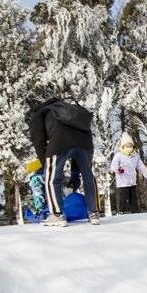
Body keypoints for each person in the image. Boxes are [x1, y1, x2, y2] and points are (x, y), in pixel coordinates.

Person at [30, 97, 100, 226]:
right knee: (88, 176)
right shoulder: (71, 110)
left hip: (59, 142)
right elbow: (75, 140)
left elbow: (38, 142)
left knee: (52, 178)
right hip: (85, 143)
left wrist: (46, 164)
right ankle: (94, 213)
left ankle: (56, 215)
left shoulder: (40, 113)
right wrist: (75, 173)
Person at [109, 132, 147, 214]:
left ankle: (135, 210)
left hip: (132, 181)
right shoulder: (119, 155)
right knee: (124, 197)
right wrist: (118, 169)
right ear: (123, 146)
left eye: (130, 146)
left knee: (133, 197)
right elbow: (113, 166)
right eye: (127, 146)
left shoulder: (135, 156)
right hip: (122, 182)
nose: (129, 147)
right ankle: (122, 211)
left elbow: (141, 167)